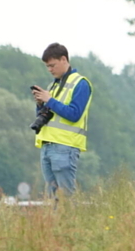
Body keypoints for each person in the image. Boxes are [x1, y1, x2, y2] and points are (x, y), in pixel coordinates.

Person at [32, 43, 93, 201]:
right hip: (47, 145)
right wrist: (40, 104)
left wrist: (50, 100)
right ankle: (59, 225)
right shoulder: (53, 85)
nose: (50, 70)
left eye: (52, 65)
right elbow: (48, 115)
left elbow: (74, 114)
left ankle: (71, 225)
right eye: (47, 67)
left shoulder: (81, 83)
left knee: (66, 198)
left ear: (64, 59)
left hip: (65, 147)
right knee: (53, 198)